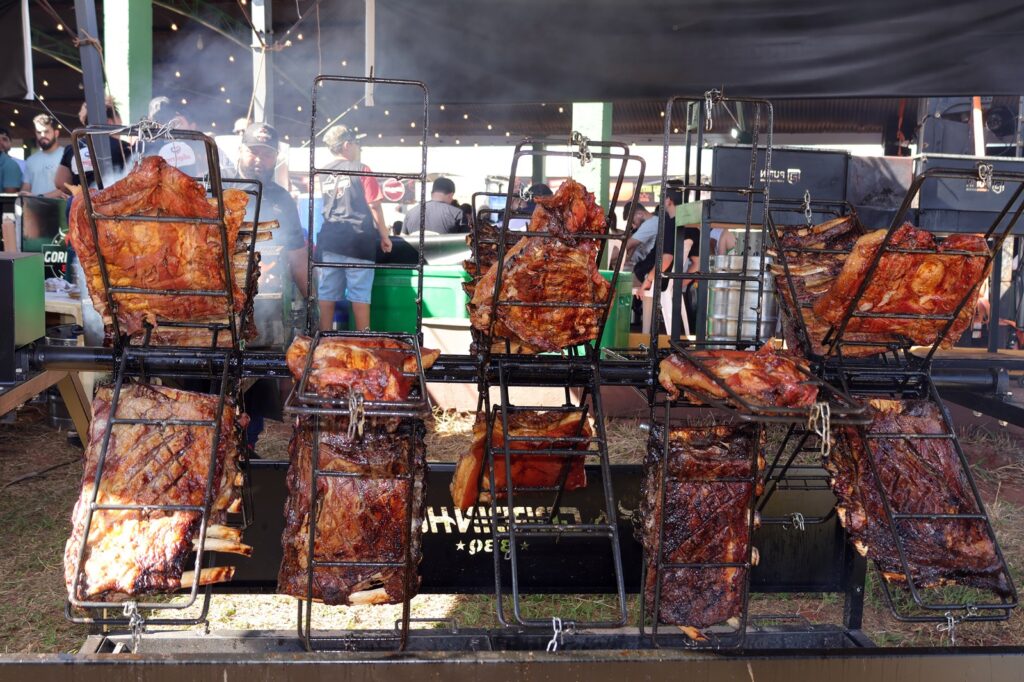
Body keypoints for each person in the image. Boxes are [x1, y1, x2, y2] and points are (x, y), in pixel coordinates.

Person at [317, 124, 391, 331]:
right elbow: (374, 205)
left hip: (330, 241)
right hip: (359, 241)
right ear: (347, 144)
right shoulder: (362, 169)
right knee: (359, 294)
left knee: (327, 293)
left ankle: (323, 337)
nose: (358, 147)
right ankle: (363, 340)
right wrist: (384, 235)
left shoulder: (322, 173)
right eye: (357, 143)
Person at [236, 122, 309, 304]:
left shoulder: (283, 199)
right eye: (253, 152)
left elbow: (298, 255)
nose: (259, 159)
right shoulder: (220, 186)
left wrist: (311, 300)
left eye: (267, 154)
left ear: (276, 158)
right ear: (241, 150)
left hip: (269, 295)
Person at [633, 185, 700, 333]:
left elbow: (667, 258)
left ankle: (638, 334)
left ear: (669, 200)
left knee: (620, 282)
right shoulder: (693, 228)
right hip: (669, 279)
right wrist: (679, 283)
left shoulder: (670, 222)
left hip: (656, 276)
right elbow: (698, 263)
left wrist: (648, 281)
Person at [54, 97, 133, 193]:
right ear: (109, 122)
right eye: (120, 124)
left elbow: (60, 183)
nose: (120, 130)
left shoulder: (72, 148)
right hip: (113, 203)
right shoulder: (123, 147)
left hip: (81, 204)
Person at [400, 176, 466, 235]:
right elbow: (467, 242)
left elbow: (403, 240)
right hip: (444, 248)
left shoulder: (410, 213)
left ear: (432, 193)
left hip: (415, 249)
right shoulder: (457, 213)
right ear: (451, 195)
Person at [20, 115, 64, 197]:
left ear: (56, 133)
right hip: (34, 208)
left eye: (46, 131)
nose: (42, 135)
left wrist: (40, 197)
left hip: (60, 208)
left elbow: (68, 189)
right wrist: (23, 195)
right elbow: (26, 187)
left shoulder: (66, 155)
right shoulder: (31, 160)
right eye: (39, 132)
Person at [0, 127, 23, 193]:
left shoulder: (11, 164)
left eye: (4, 139)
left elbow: (9, 197)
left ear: (10, 143)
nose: (0, 142)